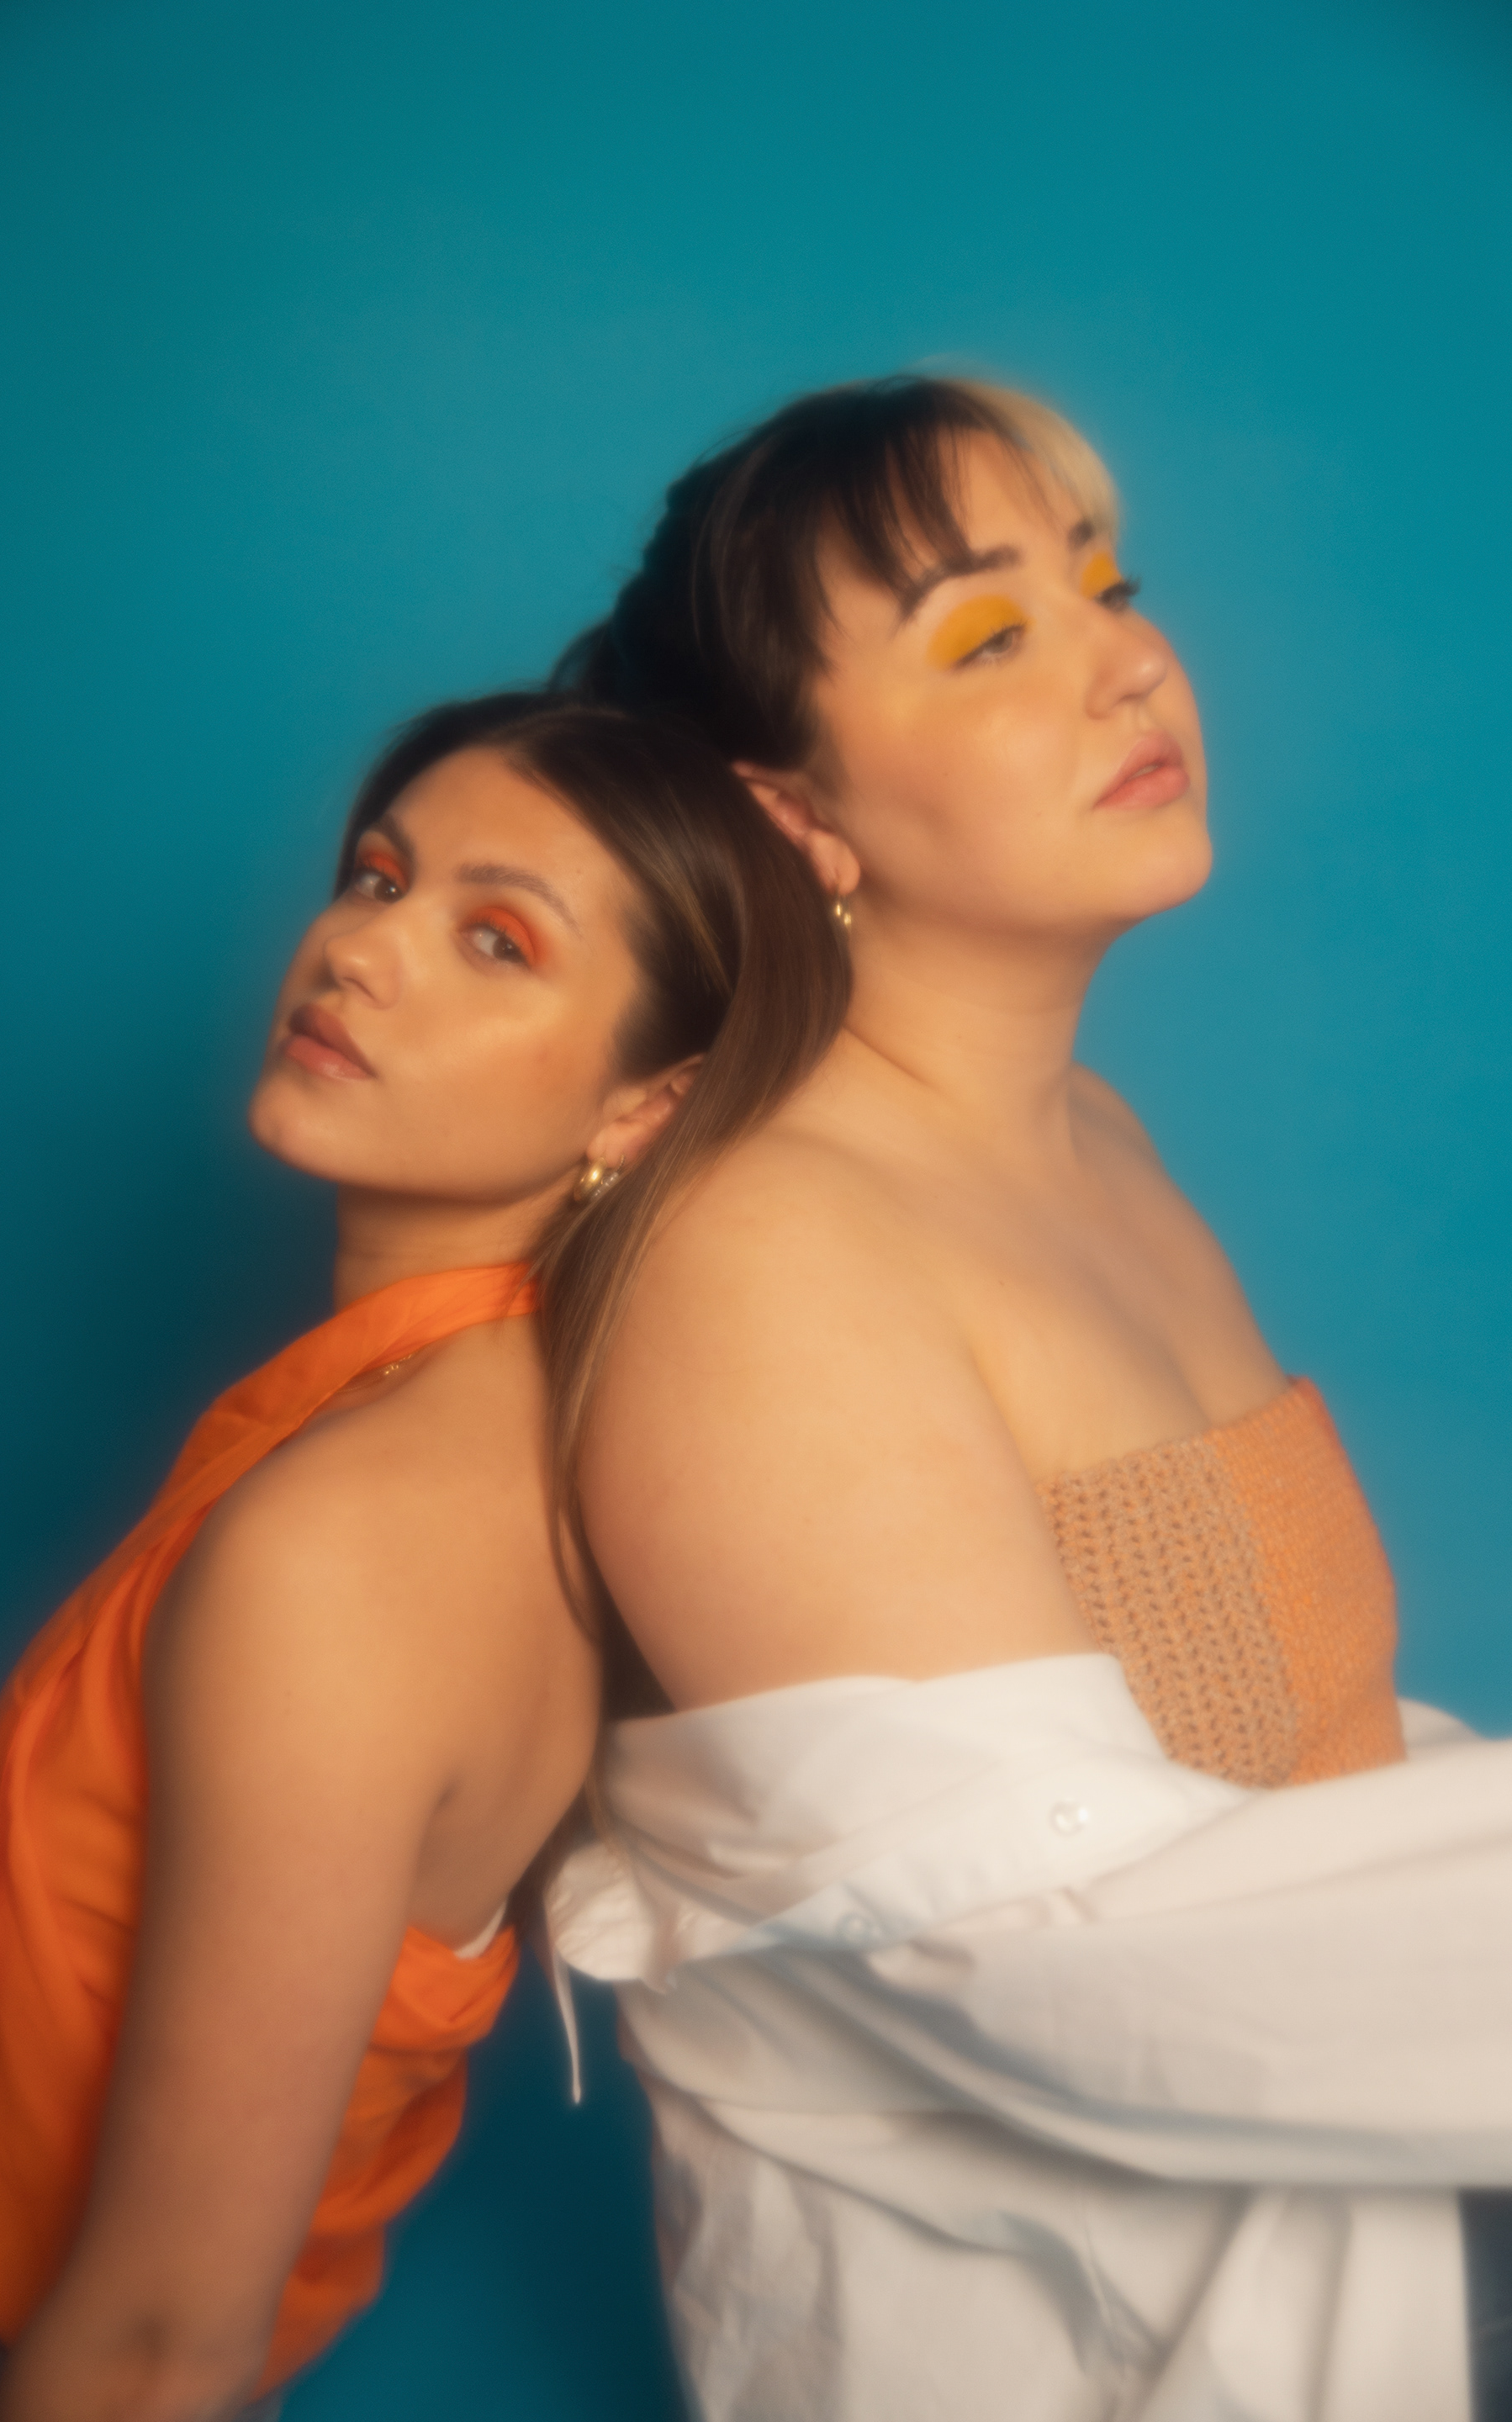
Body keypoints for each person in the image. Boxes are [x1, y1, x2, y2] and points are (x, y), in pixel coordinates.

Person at [544, 379, 1512, 2419]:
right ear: (791, 817)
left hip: (1414, 2188)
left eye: (1109, 589)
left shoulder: (1100, 1144)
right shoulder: (761, 1244)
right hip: (1196, 2330)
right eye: (991, 637)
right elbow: (1038, 1944)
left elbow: (1313, 1767)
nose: (1129, 662)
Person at [0, 691, 847, 2422]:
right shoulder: (460, 1424)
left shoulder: (362, 1537)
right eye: (379, 877)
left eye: (498, 940)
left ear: (648, 1106)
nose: (359, 949)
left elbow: (162, 2346)